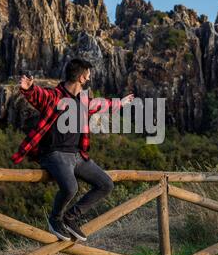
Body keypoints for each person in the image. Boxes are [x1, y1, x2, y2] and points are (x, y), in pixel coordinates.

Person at [11, 58, 134, 242]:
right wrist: (29, 89)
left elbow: (102, 104)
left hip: (77, 155)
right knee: (70, 187)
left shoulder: (84, 102)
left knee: (106, 184)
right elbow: (39, 95)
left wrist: (121, 103)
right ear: (82, 78)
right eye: (88, 75)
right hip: (54, 154)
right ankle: (55, 219)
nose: (89, 78)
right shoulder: (55, 96)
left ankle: (70, 217)